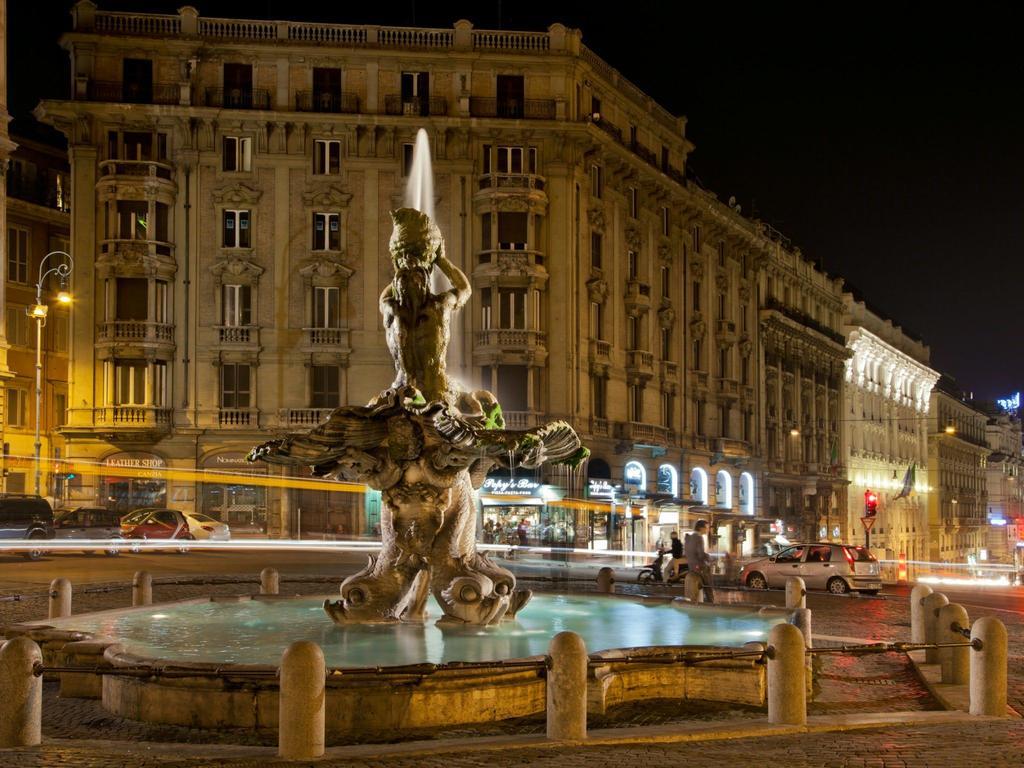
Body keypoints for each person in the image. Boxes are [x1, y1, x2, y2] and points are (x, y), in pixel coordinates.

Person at [684, 520, 713, 601]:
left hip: (691, 567)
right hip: (700, 567)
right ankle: (711, 603)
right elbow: (701, 554)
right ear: (701, 528)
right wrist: (709, 558)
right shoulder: (699, 538)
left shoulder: (690, 537)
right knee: (708, 586)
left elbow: (686, 553)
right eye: (706, 528)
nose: (708, 530)